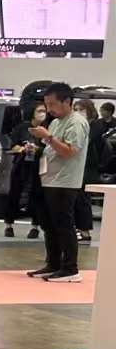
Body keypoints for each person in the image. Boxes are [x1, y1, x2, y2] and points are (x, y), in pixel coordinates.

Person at [26, 82, 89, 283]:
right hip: (50, 179)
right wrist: (36, 148)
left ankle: (70, 268)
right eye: (47, 104)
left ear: (67, 101)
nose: (49, 109)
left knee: (64, 225)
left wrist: (48, 137)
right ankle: (53, 263)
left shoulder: (76, 122)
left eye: (52, 104)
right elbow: (51, 150)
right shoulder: (55, 122)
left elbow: (70, 151)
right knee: (49, 225)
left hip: (65, 182)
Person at [3, 103, 46, 239]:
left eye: (44, 111)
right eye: (39, 110)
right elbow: (12, 145)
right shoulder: (21, 128)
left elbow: (48, 147)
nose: (42, 113)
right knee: (15, 192)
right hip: (21, 165)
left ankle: (35, 226)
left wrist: (37, 149)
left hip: (38, 166)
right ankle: (9, 225)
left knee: (37, 195)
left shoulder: (47, 129)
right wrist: (22, 149)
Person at [73, 100, 101, 243]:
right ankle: (80, 229)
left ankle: (85, 231)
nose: (78, 112)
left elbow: (85, 142)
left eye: (81, 109)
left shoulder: (95, 125)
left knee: (83, 199)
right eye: (76, 109)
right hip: (79, 166)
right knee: (78, 198)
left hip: (88, 167)